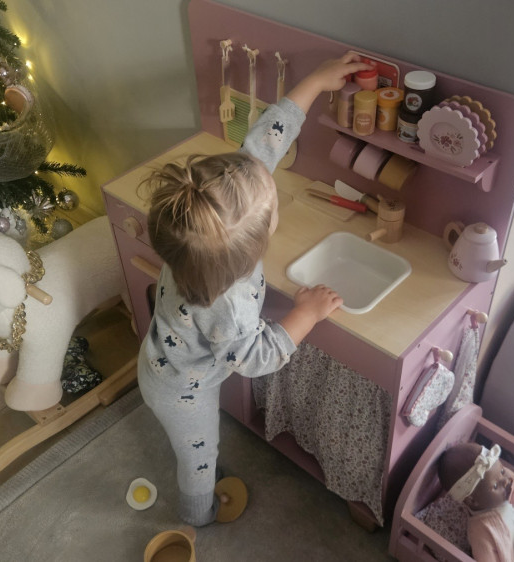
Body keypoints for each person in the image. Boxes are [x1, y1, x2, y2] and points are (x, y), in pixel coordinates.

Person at [138, 53, 374, 527]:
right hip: (183, 391)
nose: (273, 196)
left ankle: (201, 487)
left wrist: (316, 80)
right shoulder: (227, 302)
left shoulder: (204, 232)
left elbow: (265, 142)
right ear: (255, 247)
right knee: (199, 456)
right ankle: (199, 513)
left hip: (162, 362)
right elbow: (254, 358)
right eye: (273, 206)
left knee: (199, 449)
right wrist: (305, 314)